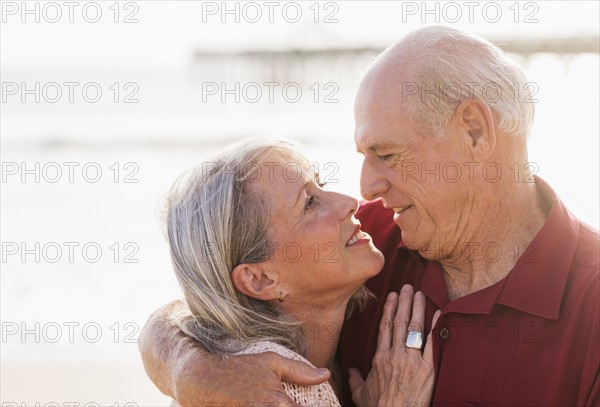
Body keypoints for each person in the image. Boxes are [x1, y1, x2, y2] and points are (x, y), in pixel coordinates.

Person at [139, 27, 599, 406]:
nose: (363, 190)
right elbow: (204, 305)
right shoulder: (370, 242)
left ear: (475, 132)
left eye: (387, 153)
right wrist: (190, 368)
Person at [150, 138, 439, 406]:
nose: (349, 203)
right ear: (260, 279)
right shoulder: (270, 391)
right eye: (309, 203)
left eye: (321, 184)